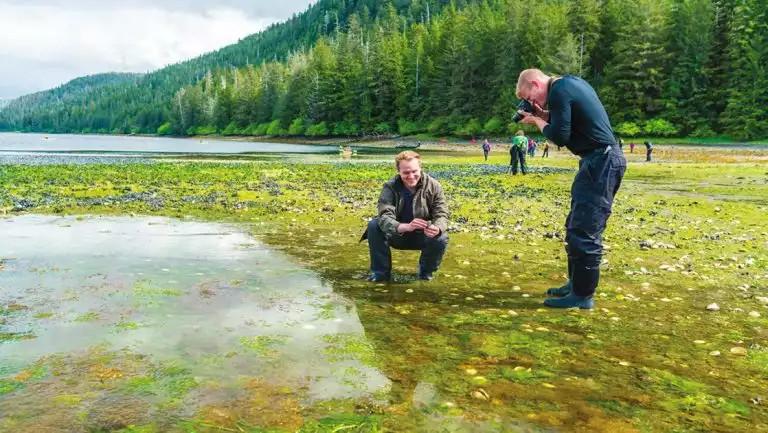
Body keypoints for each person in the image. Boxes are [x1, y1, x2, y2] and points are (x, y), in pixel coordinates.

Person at [516, 68, 626, 309]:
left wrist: (536, 120)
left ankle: (583, 296)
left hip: (601, 161)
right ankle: (575, 284)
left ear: (535, 83)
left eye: (530, 97)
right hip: (598, 160)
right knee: (575, 225)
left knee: (585, 230)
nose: (532, 102)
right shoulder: (570, 85)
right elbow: (569, 123)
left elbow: (561, 136)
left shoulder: (558, 91)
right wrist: (542, 113)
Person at [364, 151, 449, 282]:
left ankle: (425, 274)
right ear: (399, 171)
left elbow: (441, 213)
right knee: (374, 225)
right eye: (406, 173)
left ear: (420, 168)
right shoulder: (389, 187)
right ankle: (380, 274)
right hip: (397, 234)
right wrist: (404, 226)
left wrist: (437, 228)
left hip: (422, 235)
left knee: (441, 236)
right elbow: (385, 215)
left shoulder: (434, 186)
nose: (411, 176)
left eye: (415, 171)